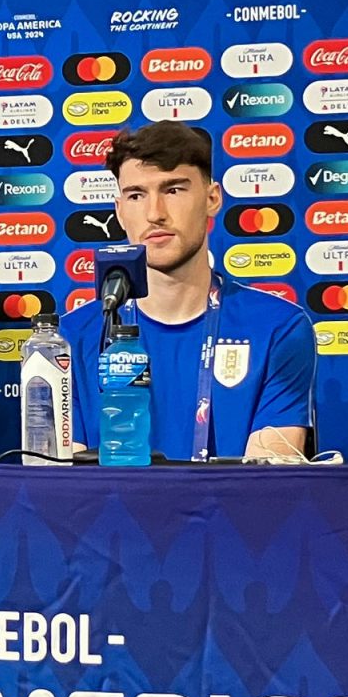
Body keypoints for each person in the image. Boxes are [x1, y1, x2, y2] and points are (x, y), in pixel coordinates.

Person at [60, 120, 316, 460]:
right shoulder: (70, 337)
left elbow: (265, 486)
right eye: (136, 195)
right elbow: (63, 489)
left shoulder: (278, 329)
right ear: (119, 212)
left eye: (173, 190)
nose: (155, 214)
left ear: (212, 199)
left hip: (231, 513)